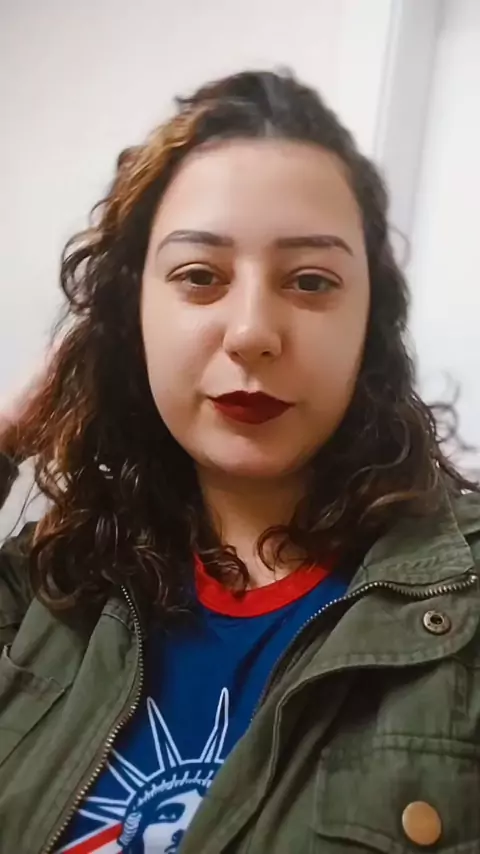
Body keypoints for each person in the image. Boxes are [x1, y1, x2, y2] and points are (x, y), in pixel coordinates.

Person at [0, 69, 479, 854]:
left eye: (311, 281)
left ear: (371, 325)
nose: (253, 331)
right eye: (199, 276)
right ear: (132, 314)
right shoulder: (54, 580)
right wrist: (8, 435)